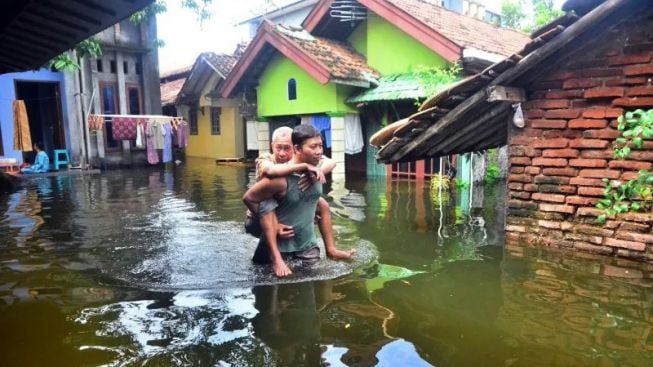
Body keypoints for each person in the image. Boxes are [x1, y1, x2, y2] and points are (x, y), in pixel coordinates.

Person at [243, 124, 354, 277]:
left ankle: (331, 249)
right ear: (298, 148)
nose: (282, 153)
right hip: (257, 216)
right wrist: (305, 166)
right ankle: (276, 257)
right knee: (267, 204)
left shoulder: (313, 164)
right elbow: (267, 176)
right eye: (278, 148)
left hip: (295, 217)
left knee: (322, 203)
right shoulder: (268, 161)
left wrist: (316, 172)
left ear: (293, 148)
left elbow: (331, 162)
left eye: (286, 148)